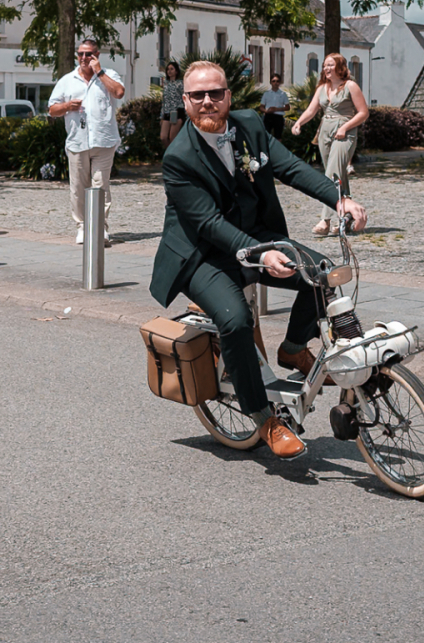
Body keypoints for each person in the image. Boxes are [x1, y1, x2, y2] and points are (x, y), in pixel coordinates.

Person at [150, 60, 368, 458]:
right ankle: (264, 418)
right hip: (204, 254)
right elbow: (209, 223)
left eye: (216, 93)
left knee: (322, 273)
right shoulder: (178, 157)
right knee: (235, 320)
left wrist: (339, 199)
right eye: (198, 95)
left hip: (256, 236)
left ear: (228, 96)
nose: (208, 101)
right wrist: (262, 253)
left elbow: (291, 168)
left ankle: (293, 347)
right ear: (185, 101)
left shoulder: (249, 125)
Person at [47, 38, 125, 245]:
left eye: (88, 54)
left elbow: (119, 92)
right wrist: (67, 106)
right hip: (77, 141)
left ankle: (100, 228)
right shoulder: (67, 80)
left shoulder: (109, 75)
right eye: (80, 54)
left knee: (101, 186)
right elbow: (52, 109)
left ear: (97, 55)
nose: (84, 58)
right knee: (78, 187)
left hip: (104, 141)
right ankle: (82, 227)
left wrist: (99, 72)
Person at [291, 53, 369, 236]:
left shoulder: (350, 86)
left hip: (345, 132)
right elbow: (311, 110)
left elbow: (363, 113)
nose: (326, 68)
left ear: (340, 67)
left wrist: (345, 127)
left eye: (331, 65)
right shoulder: (322, 88)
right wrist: (298, 123)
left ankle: (325, 220)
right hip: (325, 131)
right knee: (338, 175)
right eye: (325, 65)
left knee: (331, 174)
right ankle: (347, 219)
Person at [159, 61, 184, 146]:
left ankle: (174, 153)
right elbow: (164, 100)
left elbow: (184, 97)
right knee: (163, 137)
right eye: (168, 69)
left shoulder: (180, 83)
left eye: (172, 69)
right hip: (167, 112)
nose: (169, 71)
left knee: (172, 137)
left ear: (176, 71)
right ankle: (169, 151)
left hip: (177, 112)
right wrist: (161, 116)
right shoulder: (166, 84)